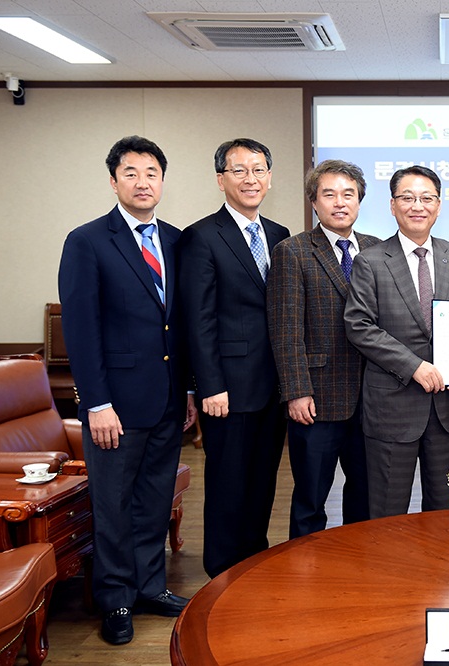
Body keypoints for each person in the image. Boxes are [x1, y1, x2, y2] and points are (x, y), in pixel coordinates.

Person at [58, 136, 197, 645]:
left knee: (153, 500)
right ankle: (115, 598)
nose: (143, 182)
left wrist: (187, 391)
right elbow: (81, 330)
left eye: (152, 173)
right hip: (113, 405)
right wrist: (96, 403)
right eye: (131, 173)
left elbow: (180, 326)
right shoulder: (88, 241)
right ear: (113, 181)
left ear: (163, 180)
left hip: (166, 400)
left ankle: (150, 586)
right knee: (113, 505)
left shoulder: (177, 240)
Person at [178, 138, 290, 578]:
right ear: (220, 179)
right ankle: (222, 572)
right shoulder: (201, 236)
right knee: (228, 484)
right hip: (227, 387)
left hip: (273, 385)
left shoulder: (279, 235)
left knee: (263, 481)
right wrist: (209, 385)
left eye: (258, 170)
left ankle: (253, 563)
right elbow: (198, 319)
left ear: (270, 178)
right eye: (239, 170)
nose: (250, 179)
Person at [344, 165, 449, 518]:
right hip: (391, 408)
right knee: (387, 513)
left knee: (443, 511)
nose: (418, 206)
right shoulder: (370, 261)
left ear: (439, 205)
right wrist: (414, 366)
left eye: (427, 198)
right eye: (408, 197)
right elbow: (359, 325)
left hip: (445, 408)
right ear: (392, 205)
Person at [267, 160, 378, 538]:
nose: (340, 202)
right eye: (329, 194)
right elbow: (286, 330)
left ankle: (359, 562)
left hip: (372, 398)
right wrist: (296, 391)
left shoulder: (378, 250)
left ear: (360, 200)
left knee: (366, 497)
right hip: (317, 399)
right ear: (314, 201)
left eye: (349, 194)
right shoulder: (292, 251)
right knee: (310, 500)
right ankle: (303, 568)